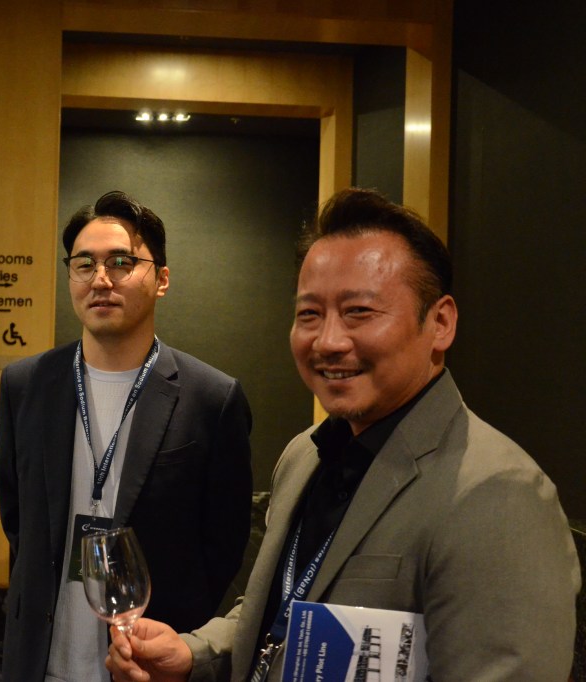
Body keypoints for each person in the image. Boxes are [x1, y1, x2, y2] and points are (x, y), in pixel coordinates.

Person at [106, 188, 581, 682]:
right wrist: (194, 655)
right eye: (309, 314)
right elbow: (284, 608)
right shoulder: (303, 456)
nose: (328, 341)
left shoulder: (497, 494)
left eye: (359, 312)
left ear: (440, 323)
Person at [0, 190, 253, 682]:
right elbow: (18, 523)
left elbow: (224, 546)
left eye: (121, 263)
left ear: (162, 279)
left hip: (147, 664)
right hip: (37, 659)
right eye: (84, 264)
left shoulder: (211, 398)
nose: (100, 279)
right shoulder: (25, 385)